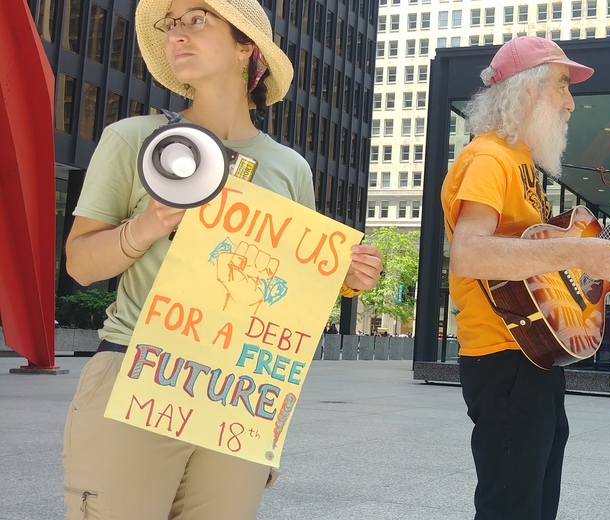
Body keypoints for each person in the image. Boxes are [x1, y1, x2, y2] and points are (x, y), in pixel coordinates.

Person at [61, 0, 383, 518]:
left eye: (196, 20)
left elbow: (289, 296)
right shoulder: (134, 139)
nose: (176, 35)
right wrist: (149, 225)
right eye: (172, 25)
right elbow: (79, 264)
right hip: (138, 370)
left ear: (244, 49)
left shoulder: (290, 168)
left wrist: (344, 278)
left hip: (238, 394)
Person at [441, 36, 610, 520]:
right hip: (502, 355)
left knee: (530, 501)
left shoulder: (519, 163)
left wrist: (582, 272)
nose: (571, 102)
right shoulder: (490, 157)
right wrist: (578, 249)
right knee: (513, 503)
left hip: (527, 354)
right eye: (562, 85)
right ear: (525, 90)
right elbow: (467, 254)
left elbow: (531, 265)